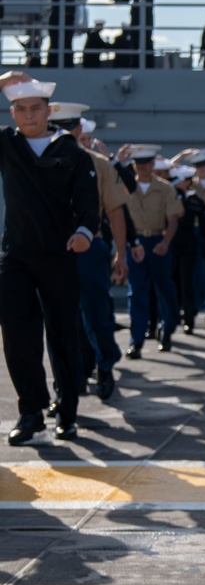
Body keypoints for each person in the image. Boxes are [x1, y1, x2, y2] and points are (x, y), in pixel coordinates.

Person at [0, 75, 99, 444]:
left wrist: (85, 234)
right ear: (13, 113)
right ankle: (30, 412)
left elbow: (90, 204)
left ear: (47, 111)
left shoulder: (70, 151)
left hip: (60, 255)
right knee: (16, 334)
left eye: (35, 108)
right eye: (20, 109)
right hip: (16, 256)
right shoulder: (6, 144)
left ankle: (67, 411)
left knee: (62, 335)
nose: (28, 115)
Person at [46, 102, 130, 402]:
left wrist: (120, 253)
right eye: (56, 127)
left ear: (79, 129)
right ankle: (71, 378)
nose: (63, 133)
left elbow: (116, 211)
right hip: (52, 250)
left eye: (69, 127)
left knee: (95, 314)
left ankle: (105, 365)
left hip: (90, 249)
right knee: (60, 320)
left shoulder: (99, 164)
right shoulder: (38, 159)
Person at [122, 145, 181, 358]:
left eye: (147, 163)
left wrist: (165, 242)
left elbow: (173, 219)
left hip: (158, 240)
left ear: (153, 164)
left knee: (164, 289)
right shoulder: (127, 187)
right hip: (135, 242)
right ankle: (136, 341)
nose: (143, 168)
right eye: (139, 164)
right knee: (136, 292)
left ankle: (167, 329)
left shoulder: (165, 188)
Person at [170, 166, 205, 333]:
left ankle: (189, 318)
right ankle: (170, 318)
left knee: (187, 284)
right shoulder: (167, 196)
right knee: (171, 284)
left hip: (188, 247)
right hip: (168, 246)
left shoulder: (194, 200)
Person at [112, 0, 158, 69]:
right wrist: (115, 0)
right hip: (135, 17)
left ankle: (149, 65)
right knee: (135, 41)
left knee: (146, 41)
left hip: (146, 16)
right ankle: (136, 64)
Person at [47, 0, 76, 69]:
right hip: (60, 22)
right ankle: (60, 64)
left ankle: (61, 63)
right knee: (59, 44)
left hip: (64, 22)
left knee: (63, 44)